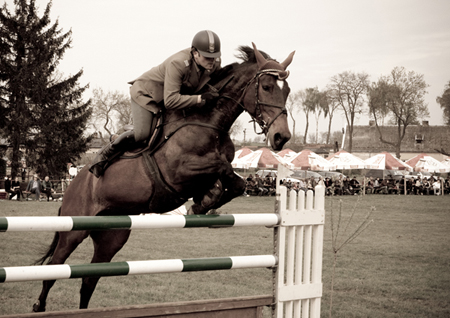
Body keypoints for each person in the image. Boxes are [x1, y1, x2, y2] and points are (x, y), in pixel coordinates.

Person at [89, 30, 222, 177]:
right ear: (195, 53)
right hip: (147, 94)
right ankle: (107, 151)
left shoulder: (214, 64)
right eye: (207, 56)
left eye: (214, 56)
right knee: (143, 134)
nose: (211, 61)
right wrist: (199, 99)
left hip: (166, 99)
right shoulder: (178, 63)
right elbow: (171, 100)